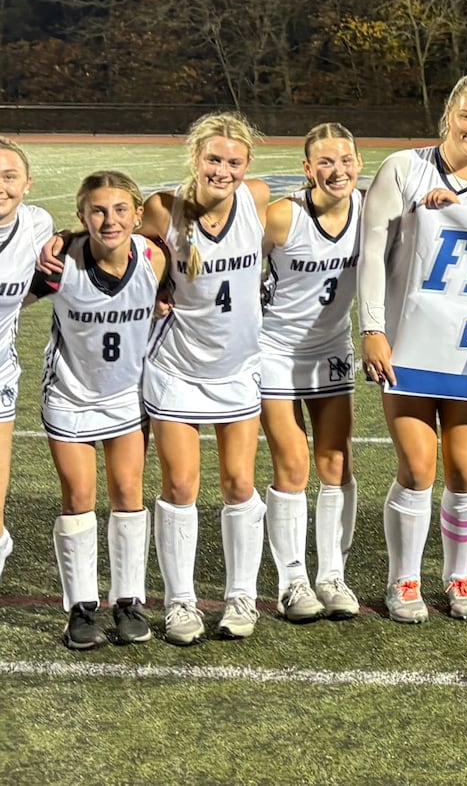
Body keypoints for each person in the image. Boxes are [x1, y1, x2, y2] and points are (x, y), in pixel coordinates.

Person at [358, 73, 467, 624]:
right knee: (419, 466)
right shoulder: (403, 167)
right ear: (449, 114)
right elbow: (373, 252)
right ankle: (404, 577)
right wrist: (372, 328)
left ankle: (459, 573)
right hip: (408, 342)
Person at [142, 111, 270, 645]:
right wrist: (153, 289)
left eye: (233, 161)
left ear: (247, 166)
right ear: (195, 157)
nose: (223, 170)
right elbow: (128, 252)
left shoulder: (258, 198)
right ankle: (180, 603)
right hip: (177, 367)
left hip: (237, 368)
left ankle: (242, 595)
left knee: (240, 484)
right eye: (214, 159)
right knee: (179, 486)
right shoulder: (162, 208)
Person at [39, 171, 166, 649]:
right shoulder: (61, 262)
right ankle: (81, 606)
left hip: (127, 396)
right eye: (97, 210)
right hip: (70, 395)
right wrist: (61, 239)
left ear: (136, 215)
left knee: (129, 493)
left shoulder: (155, 258)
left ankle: (129, 600)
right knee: (78, 496)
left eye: (119, 210)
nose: (109, 219)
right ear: (81, 216)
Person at [259, 123, 363, 623]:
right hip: (274, 349)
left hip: (332, 349)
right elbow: (228, 253)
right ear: (307, 169)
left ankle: (332, 575)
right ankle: (293, 580)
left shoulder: (371, 211)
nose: (336, 169)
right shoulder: (282, 217)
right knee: (293, 465)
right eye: (324, 161)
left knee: (336, 464)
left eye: (345, 159)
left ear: (358, 164)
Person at [0, 137, 53, 586]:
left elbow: (50, 280)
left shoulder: (37, 225)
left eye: (9, 176)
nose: (1, 185)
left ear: (27, 184)